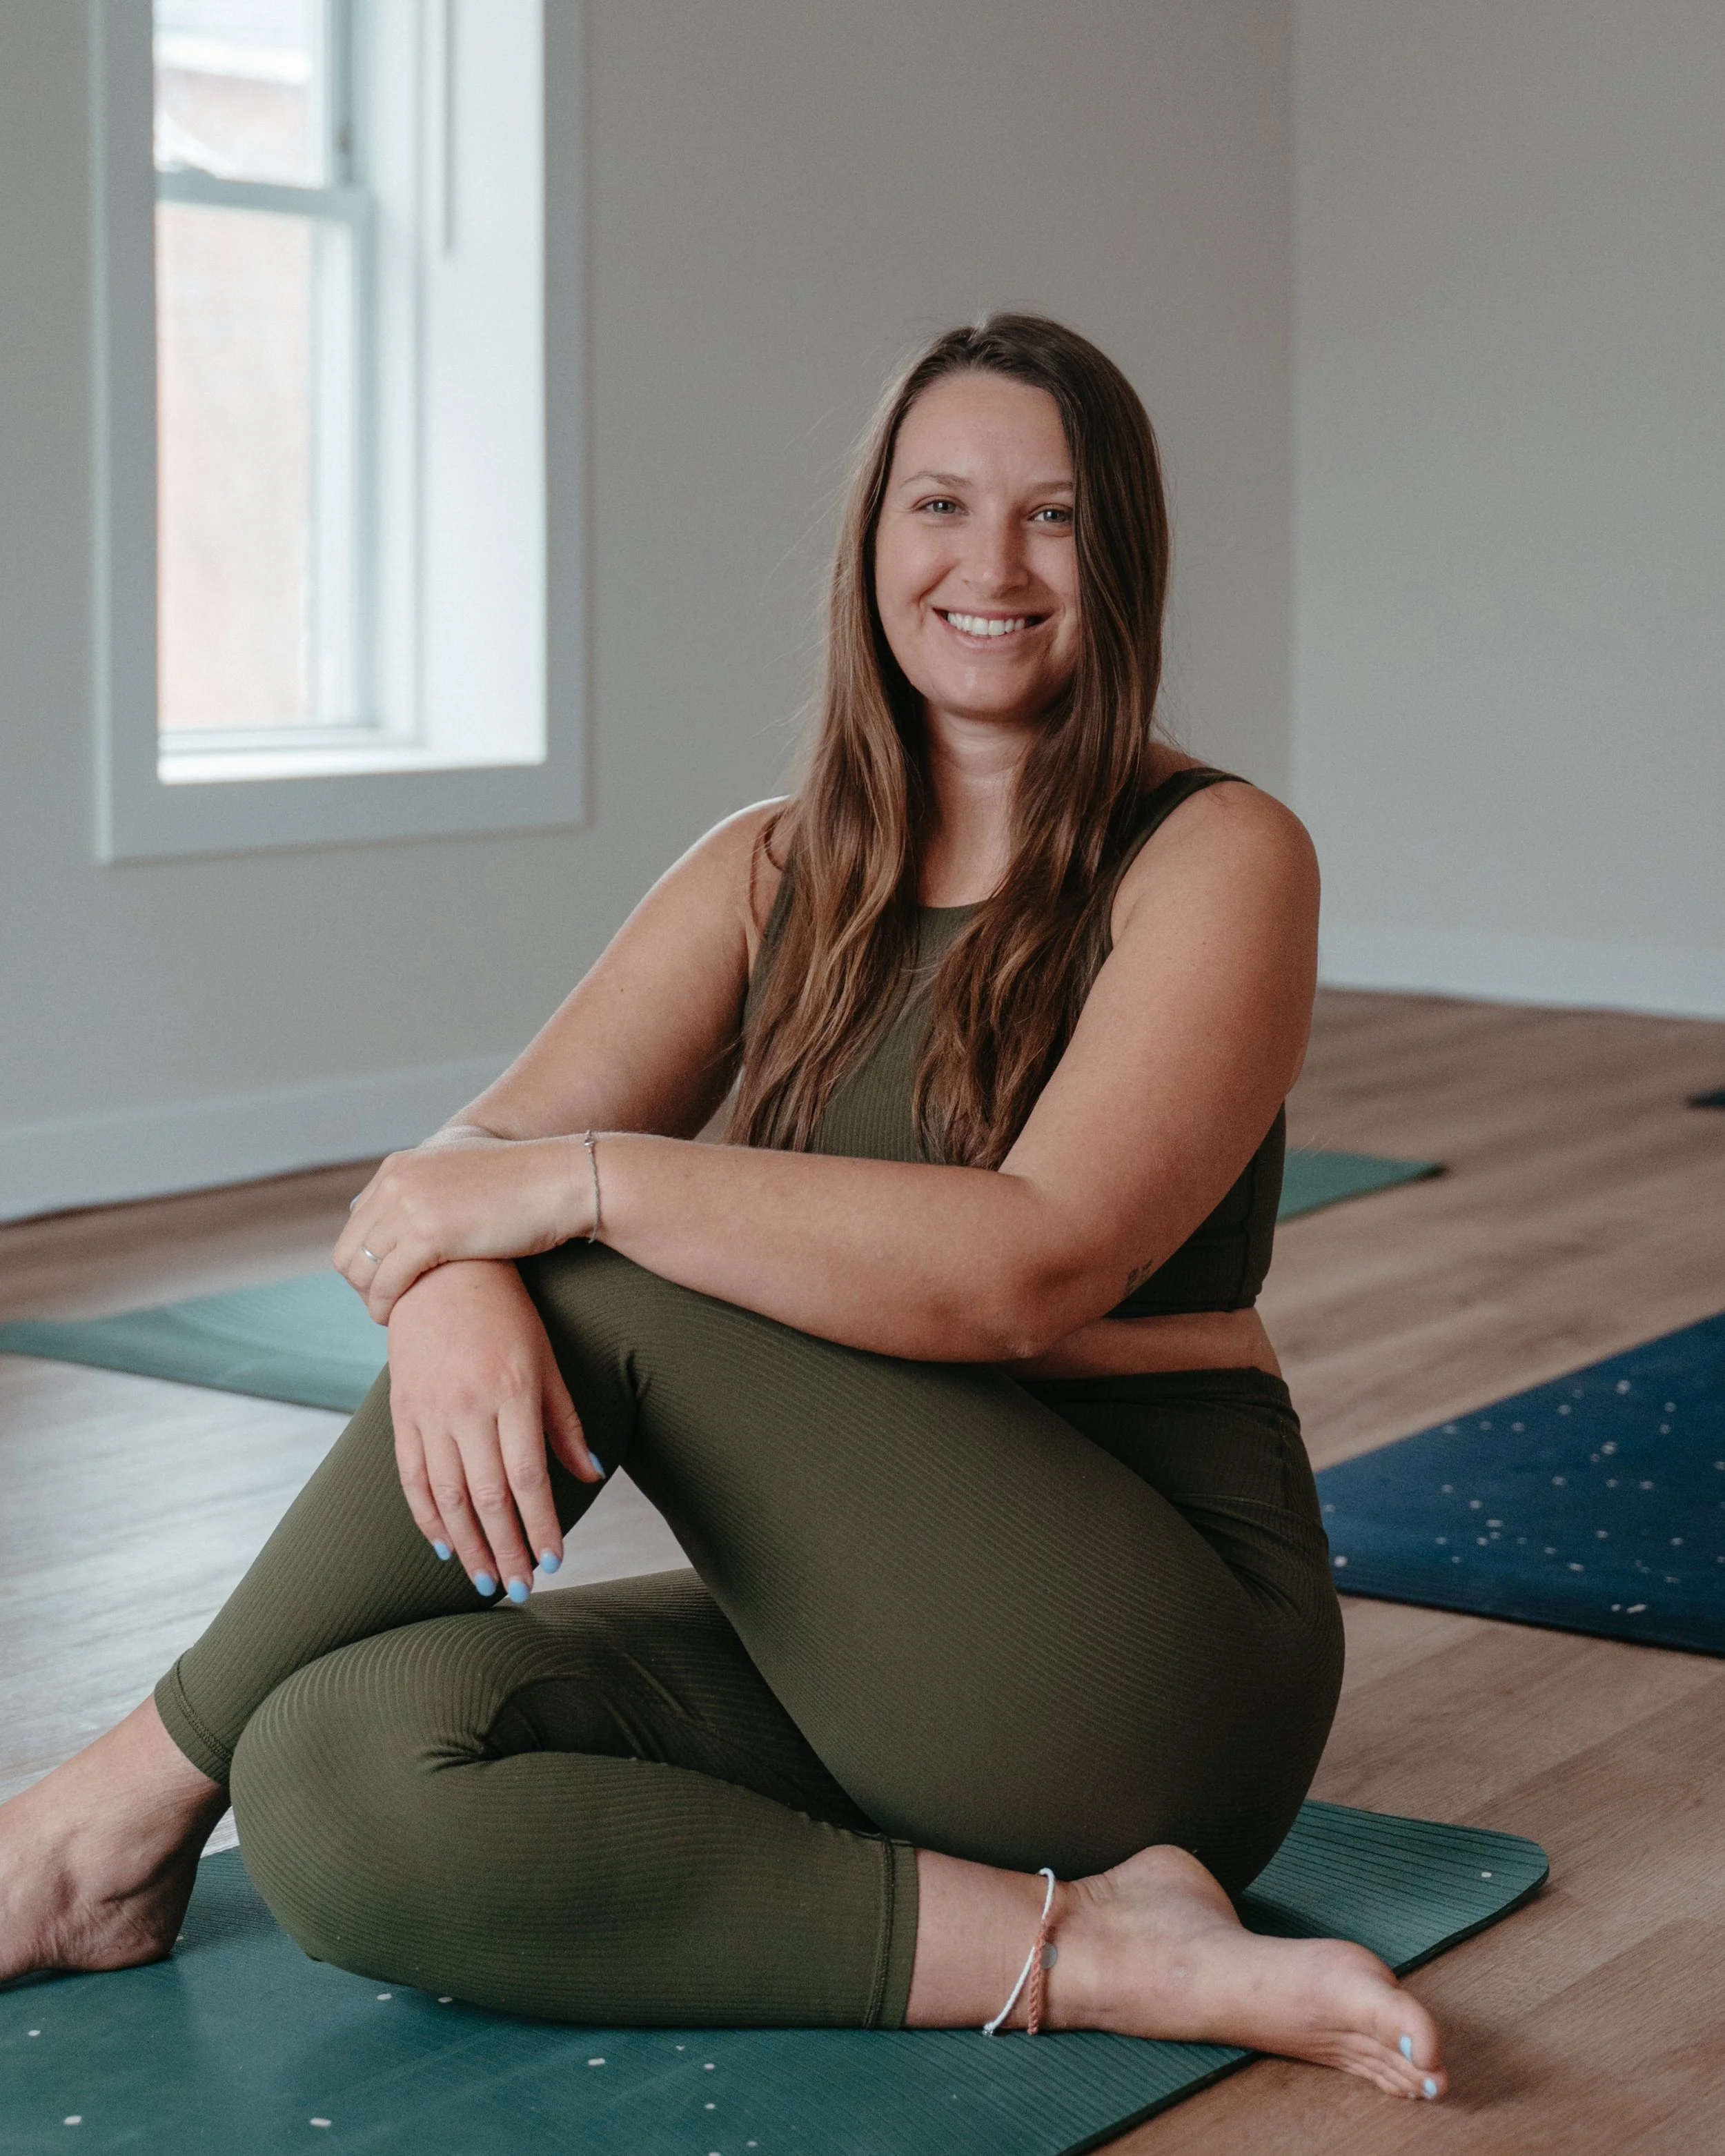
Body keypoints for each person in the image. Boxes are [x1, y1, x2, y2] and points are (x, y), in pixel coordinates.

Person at [0, 314, 1443, 2101]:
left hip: (1137, 1663)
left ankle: (95, 1813)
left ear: (1122, 556)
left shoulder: (1218, 853)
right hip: (862, 1646)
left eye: (1053, 518)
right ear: (871, 543)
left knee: (608, 1262)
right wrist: (462, 1271)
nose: (988, 564)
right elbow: (448, 1168)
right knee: (334, 1767)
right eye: (939, 503)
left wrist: (569, 1192)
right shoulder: (769, 865)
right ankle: (1096, 1952)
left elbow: (1028, 1262)